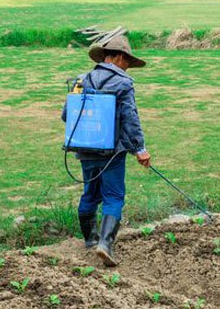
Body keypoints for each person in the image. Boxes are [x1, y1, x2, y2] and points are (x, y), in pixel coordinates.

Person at [61, 33, 151, 266]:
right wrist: (140, 148)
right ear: (120, 57)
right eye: (128, 63)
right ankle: (105, 244)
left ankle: (90, 240)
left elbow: (65, 115)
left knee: (90, 192)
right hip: (112, 153)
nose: (128, 68)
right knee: (113, 196)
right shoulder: (123, 83)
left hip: (85, 148)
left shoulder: (81, 80)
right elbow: (130, 119)